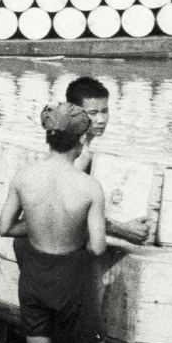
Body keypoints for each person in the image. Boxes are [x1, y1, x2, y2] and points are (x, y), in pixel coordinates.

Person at [0, 102, 108, 343]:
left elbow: (5, 227)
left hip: (34, 276)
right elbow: (98, 247)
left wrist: (37, 224)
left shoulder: (24, 177)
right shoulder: (89, 187)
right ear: (81, 141)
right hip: (73, 279)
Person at [66, 76, 151, 244]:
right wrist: (121, 229)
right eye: (93, 113)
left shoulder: (72, 143)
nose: (101, 120)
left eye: (104, 111)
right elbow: (68, 211)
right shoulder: (79, 154)